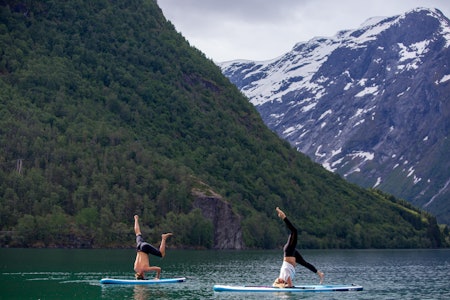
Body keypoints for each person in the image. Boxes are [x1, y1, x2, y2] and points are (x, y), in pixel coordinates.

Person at [273, 207, 324, 288]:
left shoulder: (283, 275)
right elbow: (289, 285)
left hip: (289, 251)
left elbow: (290, 285)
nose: (278, 279)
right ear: (281, 282)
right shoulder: (284, 278)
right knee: (304, 263)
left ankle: (283, 217)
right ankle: (319, 273)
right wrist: (285, 286)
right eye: (278, 281)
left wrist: (285, 286)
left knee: (294, 231)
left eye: (277, 280)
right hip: (292, 254)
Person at [133, 215, 172, 280]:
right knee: (138, 234)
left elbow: (159, 269)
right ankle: (136, 219)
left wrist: (157, 277)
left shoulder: (145, 269)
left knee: (161, 254)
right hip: (139, 247)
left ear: (142, 275)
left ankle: (163, 238)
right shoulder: (135, 268)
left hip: (145, 248)